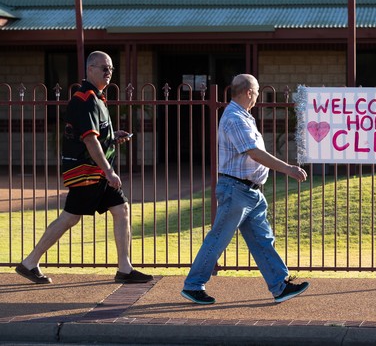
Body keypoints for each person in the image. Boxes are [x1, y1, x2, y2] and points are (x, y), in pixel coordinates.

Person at [15, 51, 153, 285]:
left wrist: (112, 136)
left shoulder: (97, 99)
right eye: (103, 68)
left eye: (110, 69)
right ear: (90, 70)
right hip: (86, 172)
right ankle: (29, 263)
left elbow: (96, 136)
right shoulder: (85, 99)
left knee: (121, 210)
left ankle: (124, 268)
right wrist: (110, 171)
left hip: (95, 171)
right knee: (70, 218)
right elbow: (89, 140)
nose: (108, 72)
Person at [182, 74, 309, 304]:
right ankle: (193, 285)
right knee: (218, 239)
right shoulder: (235, 118)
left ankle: (280, 286)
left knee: (262, 239)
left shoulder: (243, 116)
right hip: (236, 190)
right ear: (248, 92)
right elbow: (254, 152)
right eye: (257, 91)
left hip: (249, 192)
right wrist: (288, 168)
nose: (259, 96)